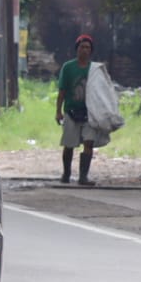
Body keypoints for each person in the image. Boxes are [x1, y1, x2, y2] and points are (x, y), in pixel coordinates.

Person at [55, 33, 98, 185]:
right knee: (69, 144)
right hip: (71, 111)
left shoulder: (95, 69)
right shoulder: (68, 67)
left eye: (87, 47)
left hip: (89, 113)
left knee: (89, 142)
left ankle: (83, 176)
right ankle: (66, 173)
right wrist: (58, 111)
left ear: (91, 50)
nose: (84, 50)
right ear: (77, 49)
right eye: (82, 47)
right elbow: (62, 91)